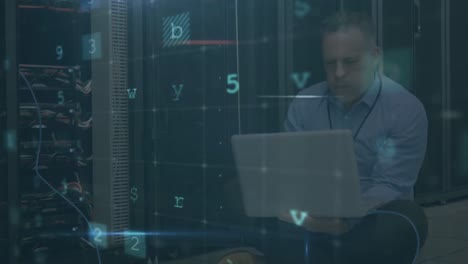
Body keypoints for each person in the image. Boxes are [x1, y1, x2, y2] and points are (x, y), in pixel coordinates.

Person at [245, 11, 429, 264]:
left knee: (407, 220)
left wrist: (345, 220)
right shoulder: (305, 104)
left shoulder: (406, 109)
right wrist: (304, 213)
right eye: (331, 63)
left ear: (375, 57)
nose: (339, 73)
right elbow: (290, 173)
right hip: (312, 215)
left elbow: (390, 186)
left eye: (350, 61)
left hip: (371, 219)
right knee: (260, 207)